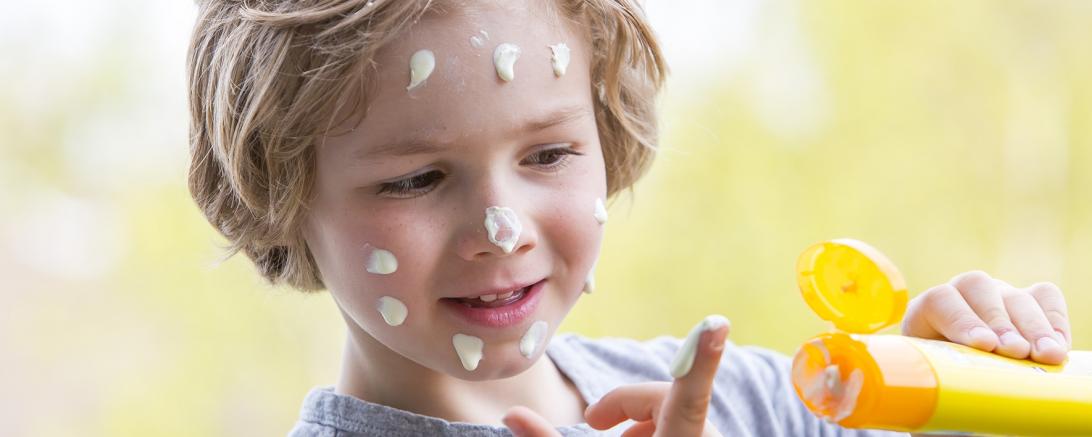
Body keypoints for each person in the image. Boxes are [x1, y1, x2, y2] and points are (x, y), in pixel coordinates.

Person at [184, 0, 1075, 435]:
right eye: (417, 178)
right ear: (280, 195)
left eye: (547, 155)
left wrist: (940, 402)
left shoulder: (758, 404)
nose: (501, 226)